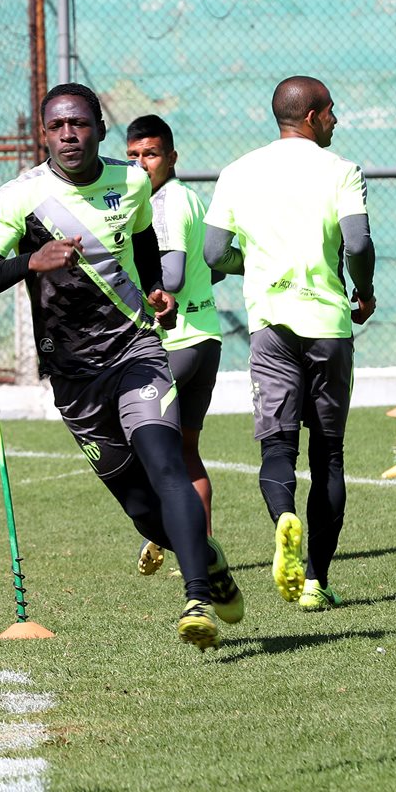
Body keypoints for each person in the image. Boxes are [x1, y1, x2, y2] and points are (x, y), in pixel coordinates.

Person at [0, 83, 243, 651]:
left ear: (99, 130)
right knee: (142, 509)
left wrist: (157, 290)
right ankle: (208, 558)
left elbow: (140, 246)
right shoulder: (20, 198)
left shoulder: (132, 181)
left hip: (136, 349)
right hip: (72, 374)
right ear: (45, 134)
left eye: (81, 124)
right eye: (58, 125)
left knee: (165, 462)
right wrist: (29, 261)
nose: (70, 134)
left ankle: (195, 598)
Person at [204, 75, 376, 612]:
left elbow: (213, 254)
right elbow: (358, 243)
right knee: (329, 456)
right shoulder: (340, 170)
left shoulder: (237, 172)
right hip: (327, 325)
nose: (336, 120)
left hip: (269, 327)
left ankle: (284, 517)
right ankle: (315, 583)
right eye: (331, 111)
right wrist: (364, 290)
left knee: (277, 448)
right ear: (311, 115)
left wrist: (251, 265)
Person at [125, 116, 223, 577]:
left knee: (142, 447)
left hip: (175, 343)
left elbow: (174, 278)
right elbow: (214, 267)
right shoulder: (191, 199)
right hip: (205, 338)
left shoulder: (163, 202)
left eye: (151, 154)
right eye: (133, 156)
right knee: (185, 452)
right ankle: (198, 549)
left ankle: (168, 535)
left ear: (171, 157)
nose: (142, 165)